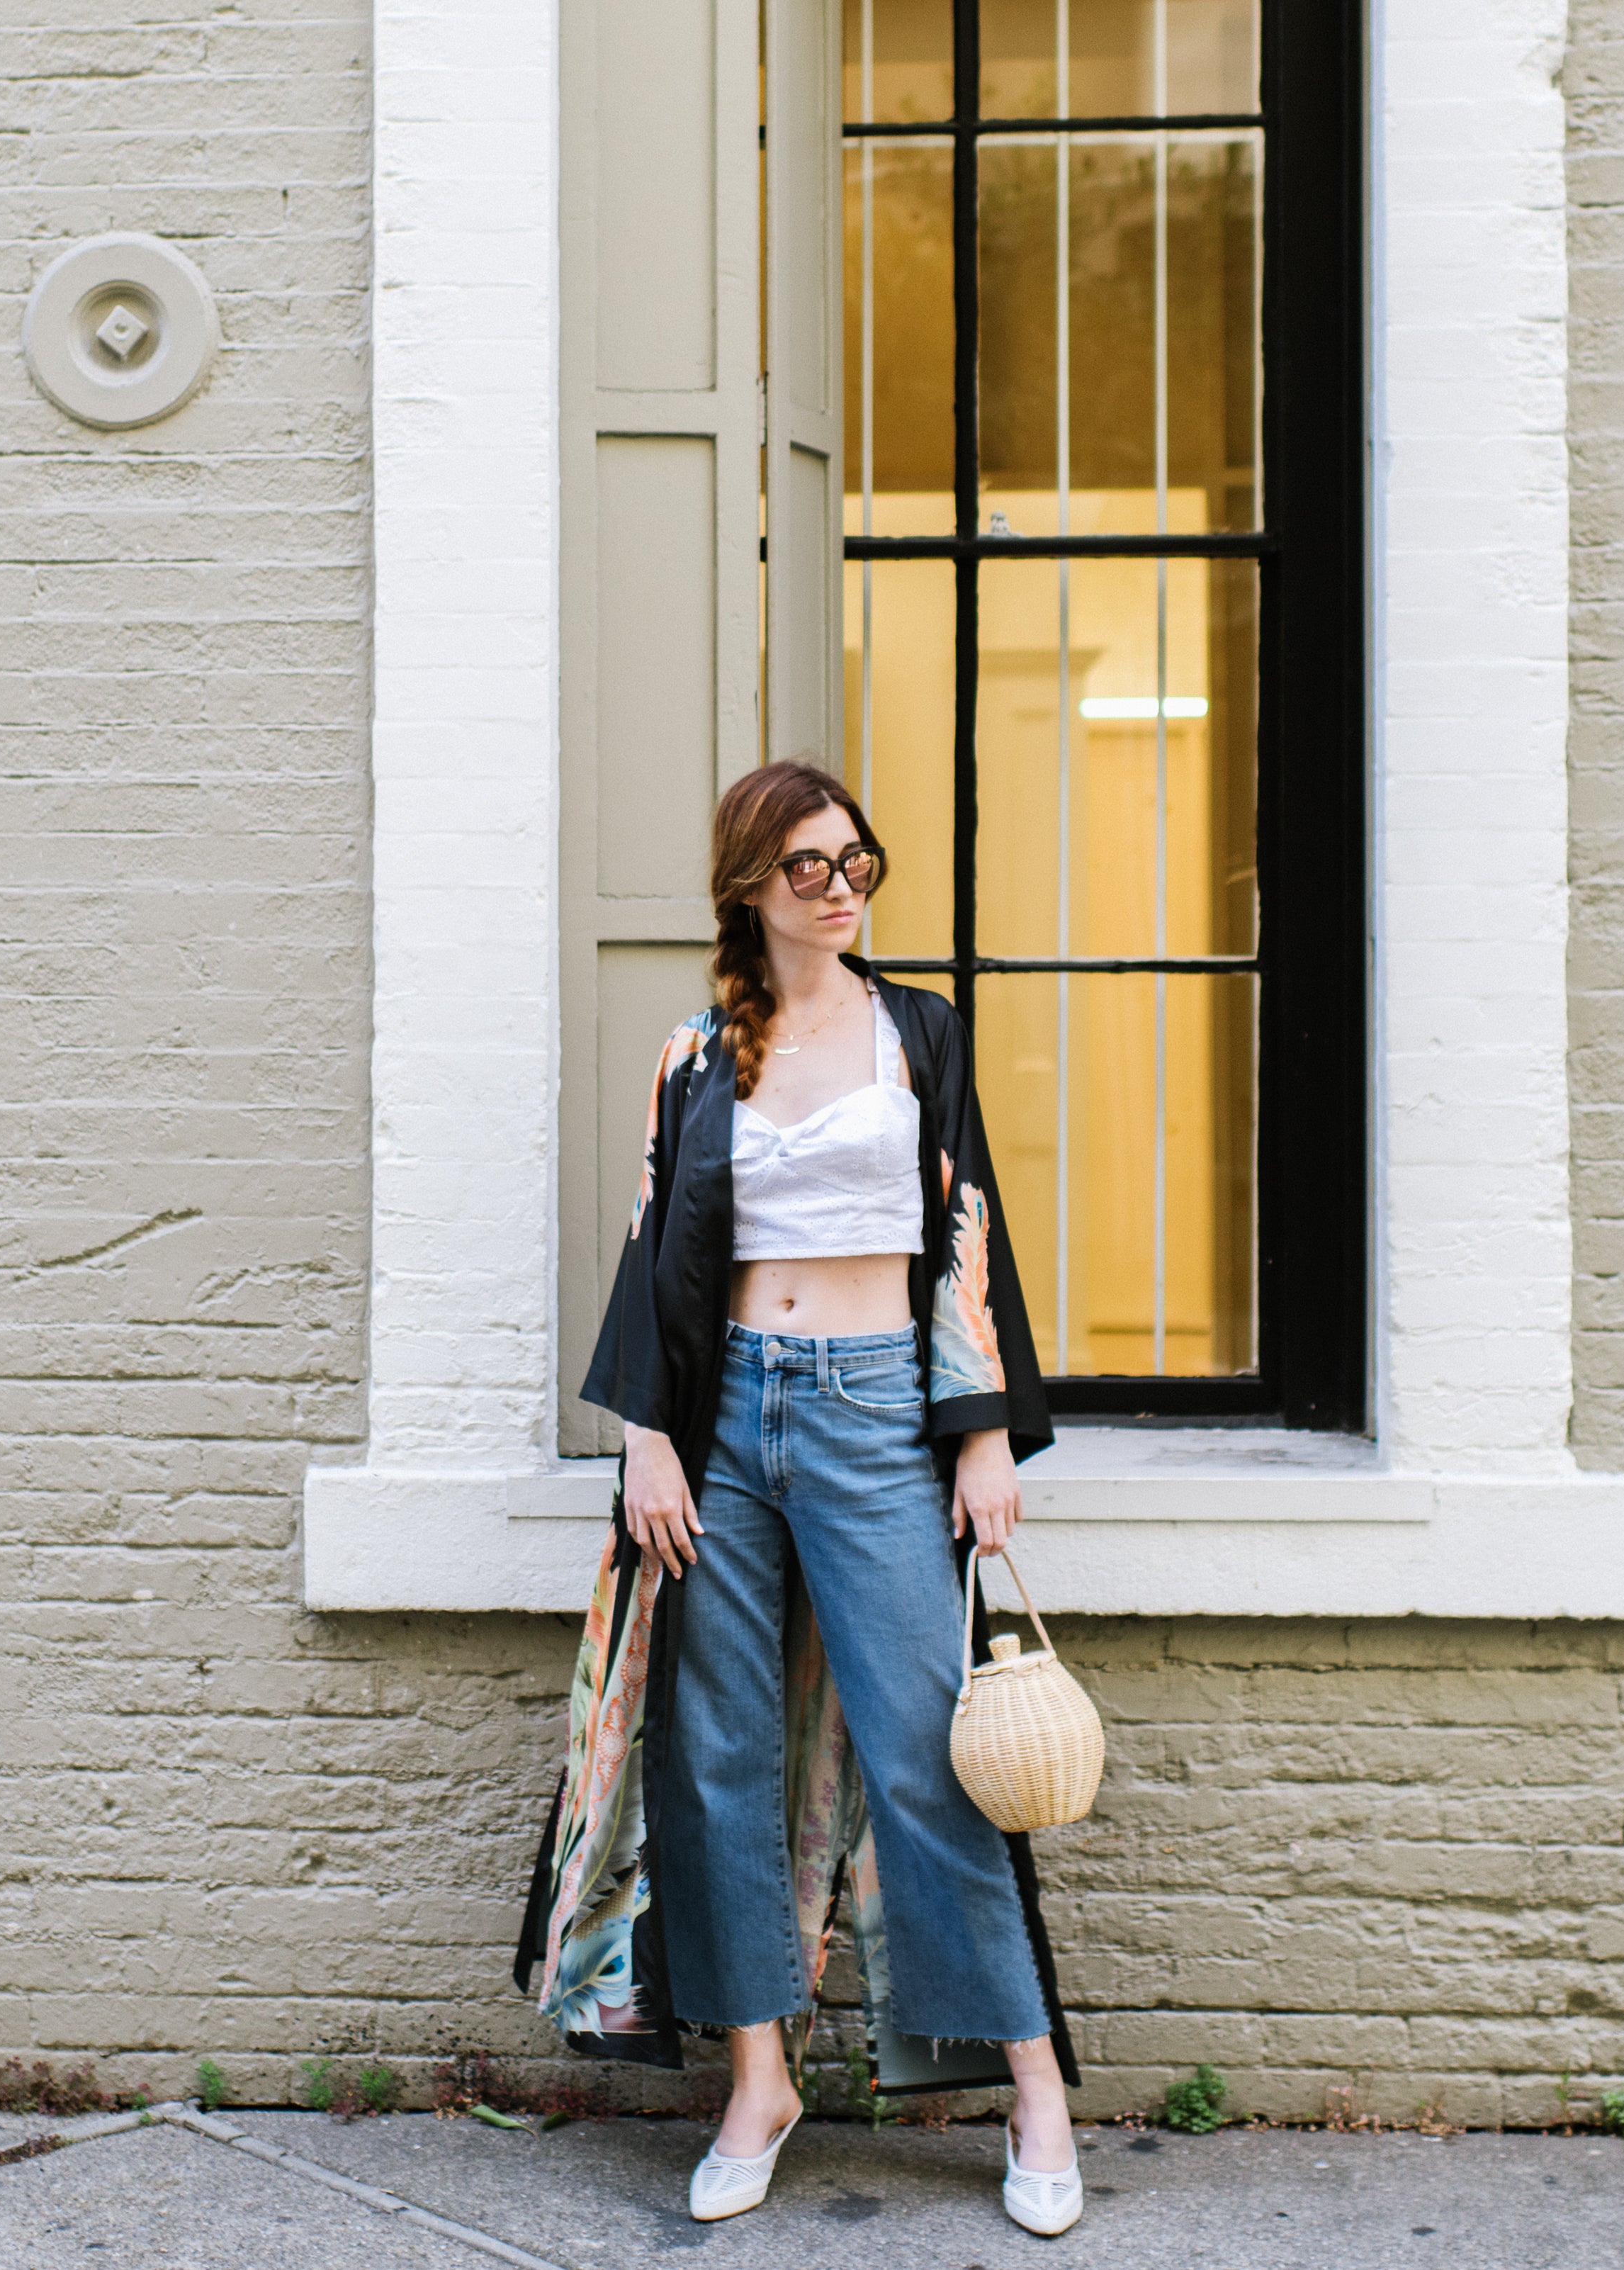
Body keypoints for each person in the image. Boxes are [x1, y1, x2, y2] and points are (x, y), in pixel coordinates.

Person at [512, 760, 1083, 2236]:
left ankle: (1032, 2087)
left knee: (922, 1749)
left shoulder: (919, 1034)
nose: (842, 890)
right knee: (718, 1753)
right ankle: (758, 2078)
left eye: (857, 863)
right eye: (810, 869)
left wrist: (982, 1438)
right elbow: (657, 1247)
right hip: (726, 1424)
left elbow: (964, 1231)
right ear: (750, 888)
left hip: (876, 1410)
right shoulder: (699, 1053)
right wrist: (649, 1435)